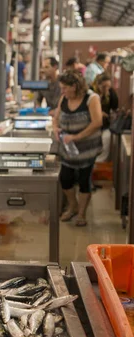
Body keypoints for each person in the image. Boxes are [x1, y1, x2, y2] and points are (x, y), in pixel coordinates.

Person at [53, 70, 103, 227]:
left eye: (65, 88)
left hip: (87, 148)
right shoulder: (64, 98)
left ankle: (81, 213)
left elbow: (97, 122)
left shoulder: (91, 98)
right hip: (68, 148)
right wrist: (56, 129)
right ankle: (72, 206)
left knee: (84, 179)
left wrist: (76, 136)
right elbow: (55, 118)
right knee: (65, 179)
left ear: (74, 86)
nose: (62, 91)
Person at [92, 73, 119, 162]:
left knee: (104, 147)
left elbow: (115, 107)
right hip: (91, 126)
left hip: (105, 126)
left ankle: (99, 169)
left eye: (108, 86)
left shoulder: (110, 92)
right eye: (104, 86)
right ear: (98, 84)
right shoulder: (91, 92)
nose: (106, 88)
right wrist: (99, 112)